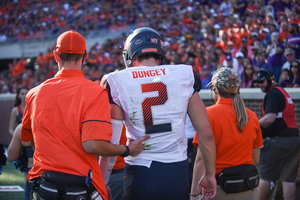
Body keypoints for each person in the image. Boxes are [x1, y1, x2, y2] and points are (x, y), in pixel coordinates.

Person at [20, 30, 149, 200]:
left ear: (55, 56)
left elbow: (26, 140)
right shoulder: (95, 92)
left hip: (44, 183)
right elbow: (93, 145)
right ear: (85, 56)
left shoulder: (34, 93)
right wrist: (127, 150)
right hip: (81, 184)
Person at [102, 27, 217, 200]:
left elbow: (112, 140)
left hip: (139, 171)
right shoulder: (184, 74)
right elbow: (206, 134)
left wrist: (103, 181)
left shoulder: (116, 80)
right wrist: (210, 174)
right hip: (176, 171)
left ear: (130, 55)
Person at [191, 67, 263, 200]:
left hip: (218, 189)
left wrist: (193, 194)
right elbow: (255, 158)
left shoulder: (208, 115)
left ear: (215, 89)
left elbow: (201, 161)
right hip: (248, 187)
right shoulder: (252, 116)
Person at [253, 69, 300, 200]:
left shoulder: (272, 94)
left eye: (262, 81)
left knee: (265, 176)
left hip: (278, 141)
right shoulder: (283, 92)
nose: (260, 85)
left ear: (270, 79)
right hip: (294, 140)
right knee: (289, 180)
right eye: (257, 83)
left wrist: (256, 124)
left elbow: (269, 118)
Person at [7, 123, 34, 200]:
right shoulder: (60, 125)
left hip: (33, 175)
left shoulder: (22, 127)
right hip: (59, 173)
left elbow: (11, 156)